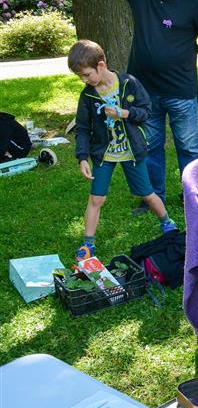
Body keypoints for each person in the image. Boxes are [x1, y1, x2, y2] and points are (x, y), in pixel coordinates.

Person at [21, 0, 198, 209]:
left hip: (181, 89)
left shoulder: (194, 1)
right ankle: (154, 198)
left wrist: (188, 51)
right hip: (143, 90)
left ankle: (193, 197)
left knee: (188, 147)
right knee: (149, 145)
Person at [70, 40, 176, 259]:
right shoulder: (87, 95)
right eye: (80, 76)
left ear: (101, 65)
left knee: (147, 194)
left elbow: (146, 111)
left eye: (86, 74)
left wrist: (124, 113)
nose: (84, 80)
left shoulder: (129, 83)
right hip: (103, 153)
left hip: (131, 150)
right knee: (96, 199)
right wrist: (82, 157)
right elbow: (82, 128)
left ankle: (167, 224)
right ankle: (88, 243)